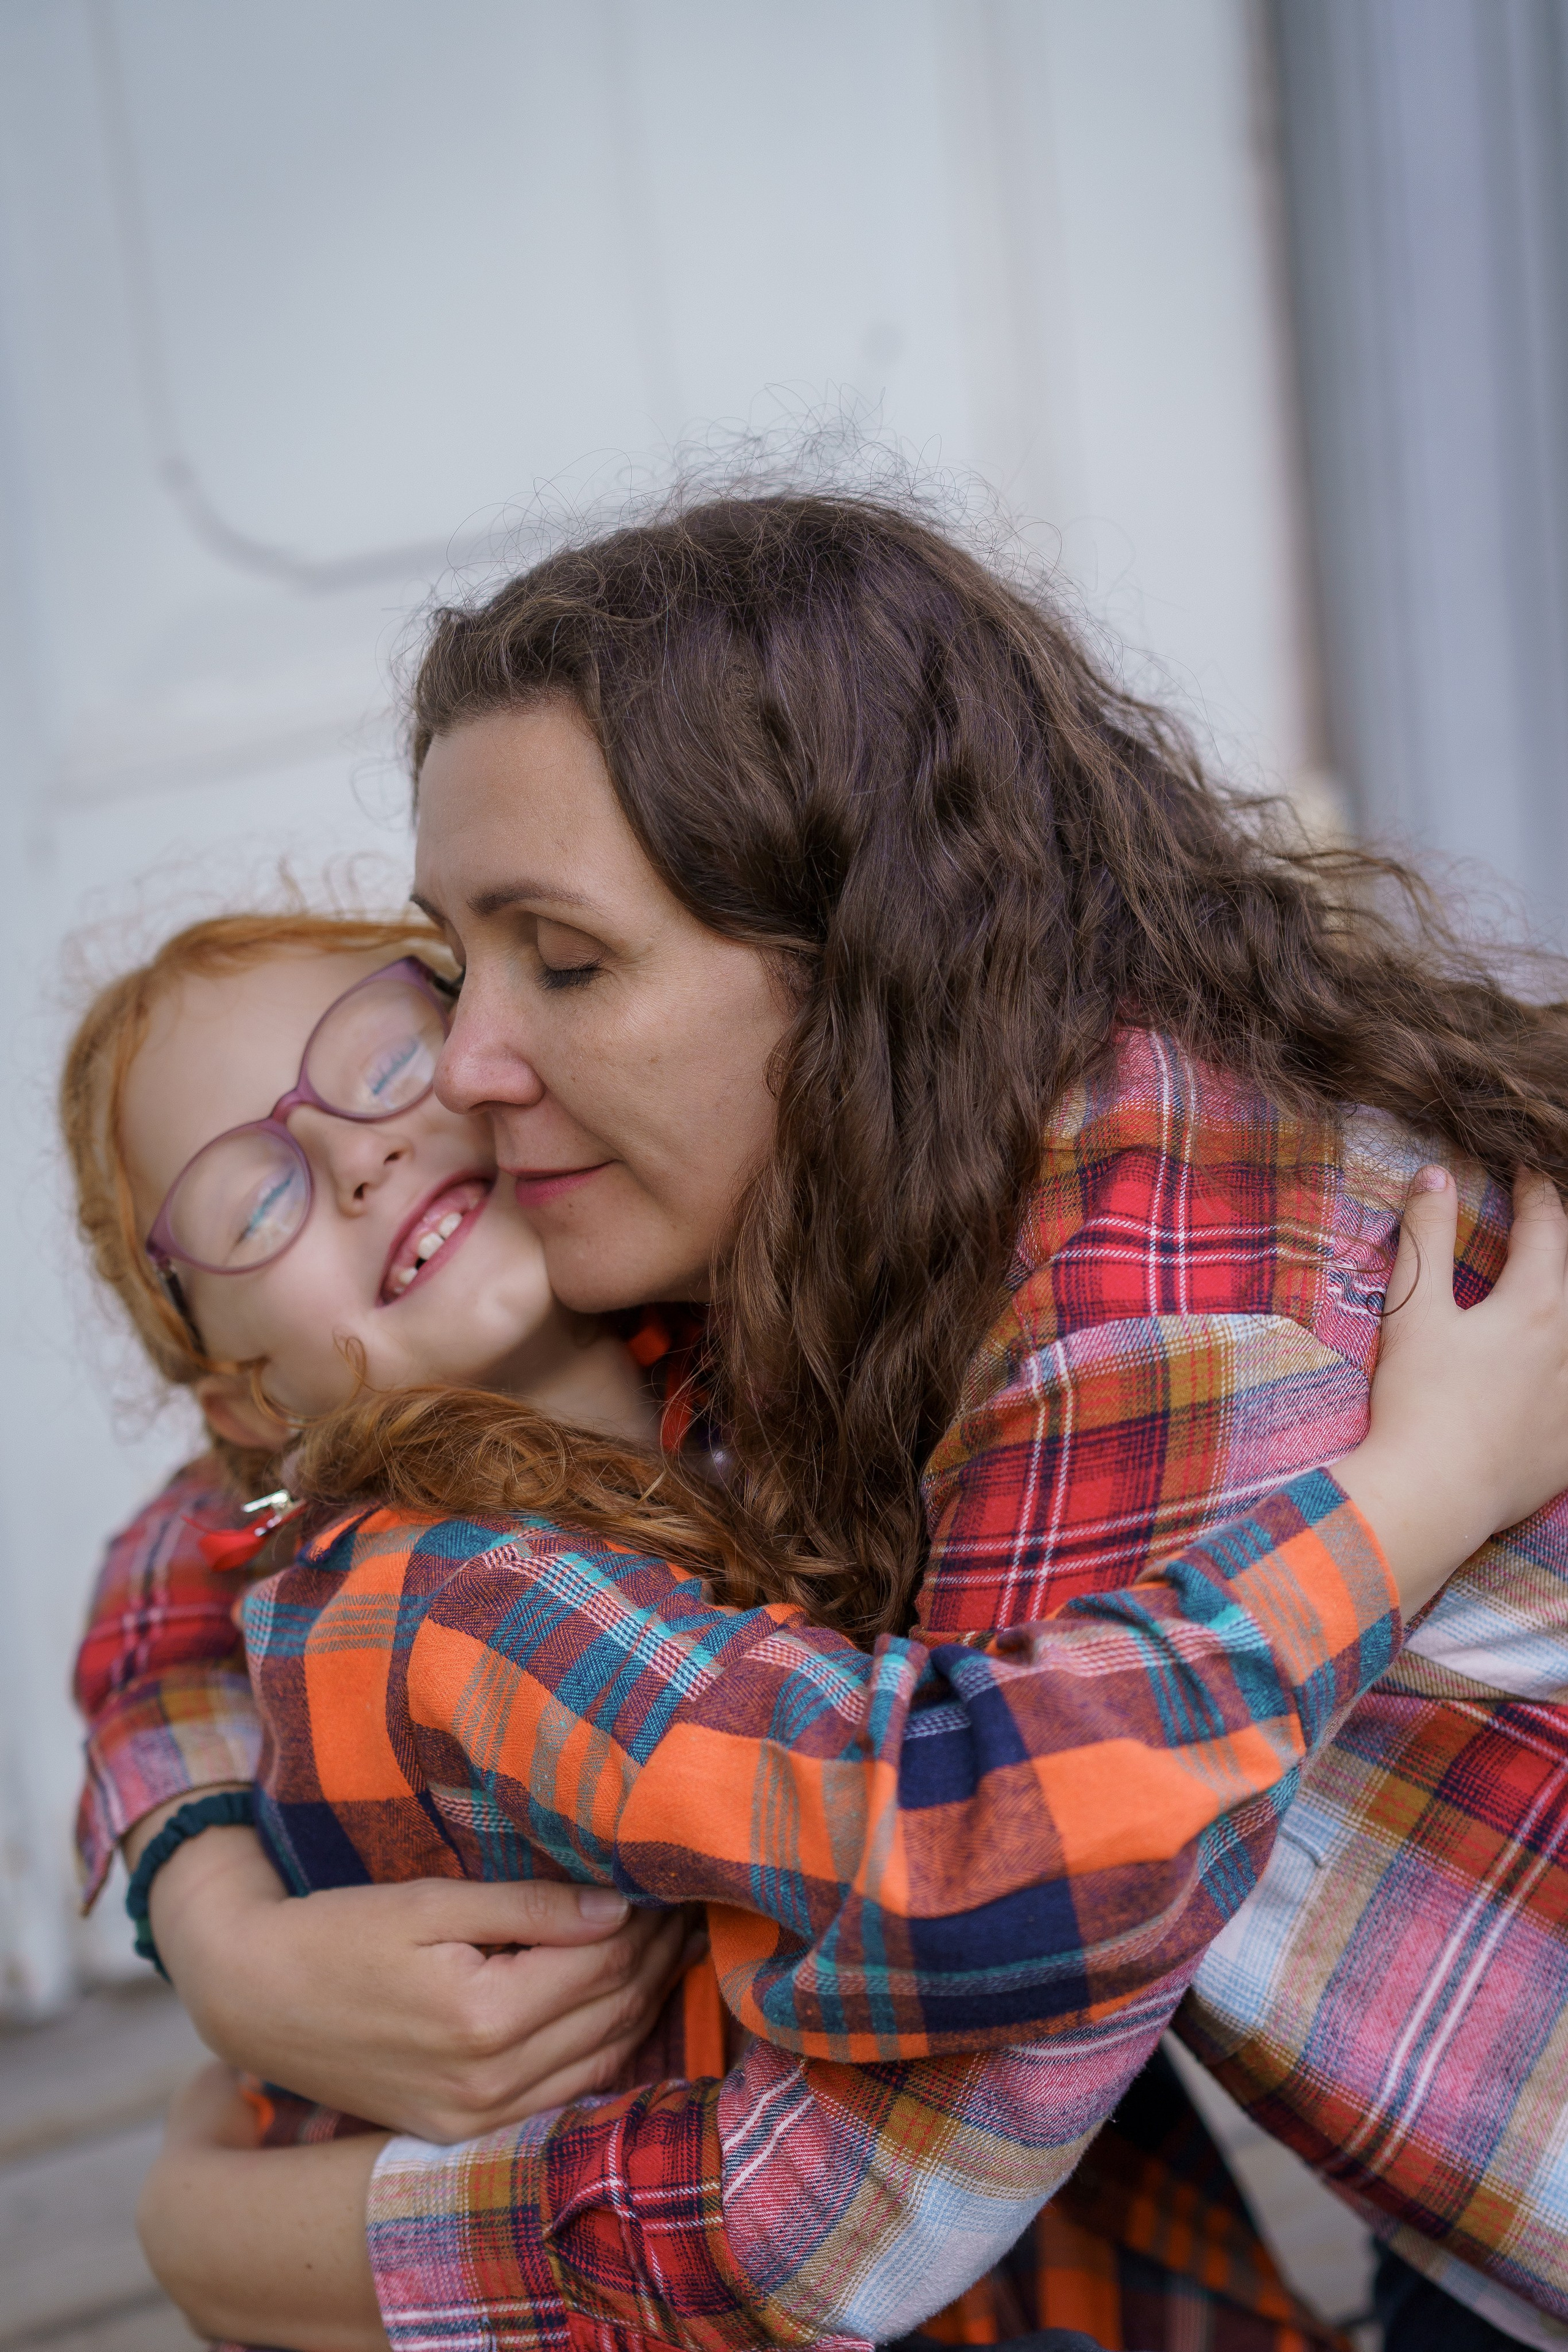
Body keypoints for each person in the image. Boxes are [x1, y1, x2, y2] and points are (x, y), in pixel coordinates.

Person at [93, 487, 1568, 2351]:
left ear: (859, 942)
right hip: (1451, 2192)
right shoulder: (831, 1203)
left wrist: (217, 2230)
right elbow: (204, 1525)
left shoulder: (1146, 1331)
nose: (466, 1069)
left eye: (564, 958)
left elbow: (841, 2215)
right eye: (453, 965)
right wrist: (216, 1920)